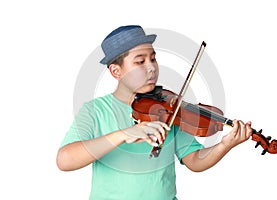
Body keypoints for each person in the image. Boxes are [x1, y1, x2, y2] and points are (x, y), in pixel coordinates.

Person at [56, 25, 252, 200]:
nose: (151, 68)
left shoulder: (168, 109)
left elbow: (194, 160)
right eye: (140, 62)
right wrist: (123, 134)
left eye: (153, 58)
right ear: (116, 71)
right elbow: (64, 160)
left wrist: (225, 145)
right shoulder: (95, 110)